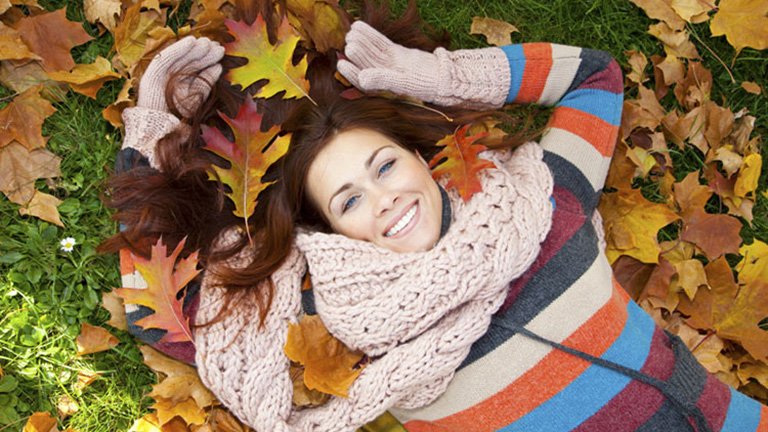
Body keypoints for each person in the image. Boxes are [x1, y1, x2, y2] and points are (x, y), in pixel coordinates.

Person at [103, 14, 768, 432]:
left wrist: (438, 76)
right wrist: (153, 137)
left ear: (420, 158)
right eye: (349, 200)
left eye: (384, 166)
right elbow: (163, 315)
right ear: (330, 234)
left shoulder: (543, 203)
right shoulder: (330, 330)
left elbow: (595, 77)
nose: (382, 198)